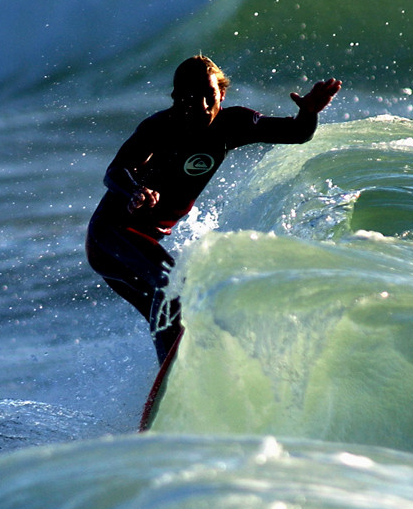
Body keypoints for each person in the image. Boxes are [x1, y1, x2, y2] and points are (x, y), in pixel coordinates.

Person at [86, 55, 341, 364]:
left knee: (168, 311)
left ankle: (167, 387)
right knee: (175, 287)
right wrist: (134, 189)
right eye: (191, 97)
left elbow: (297, 133)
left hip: (144, 242)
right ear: (178, 99)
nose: (203, 105)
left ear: (222, 92)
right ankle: (172, 371)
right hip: (111, 234)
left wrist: (309, 112)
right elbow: (114, 171)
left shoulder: (233, 125)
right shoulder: (159, 127)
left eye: (210, 95)